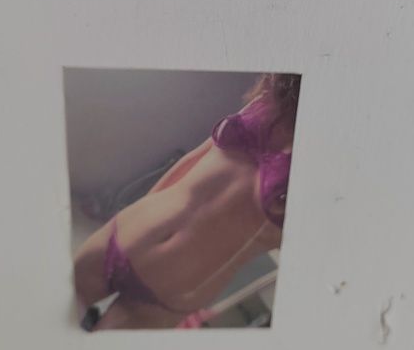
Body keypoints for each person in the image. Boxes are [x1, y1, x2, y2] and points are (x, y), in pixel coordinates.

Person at [72, 73, 300, 330]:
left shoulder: (327, 171)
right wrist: (143, 206)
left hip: (171, 293)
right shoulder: (273, 96)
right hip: (128, 235)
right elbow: (193, 160)